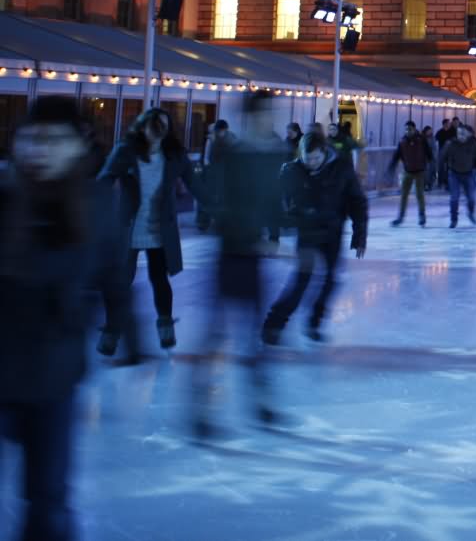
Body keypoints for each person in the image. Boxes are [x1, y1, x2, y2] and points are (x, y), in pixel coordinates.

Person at [2, 96, 142, 541]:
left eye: (54, 139)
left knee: (48, 499)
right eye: (31, 138)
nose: (40, 149)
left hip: (55, 374)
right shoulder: (5, 200)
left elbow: (114, 275)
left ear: (77, 147)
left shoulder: (97, 204)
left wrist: (131, 337)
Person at [189, 90, 286, 437]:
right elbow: (221, 204)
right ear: (251, 117)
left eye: (271, 113)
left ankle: (261, 403)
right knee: (217, 334)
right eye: (264, 113)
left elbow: (273, 199)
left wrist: (276, 231)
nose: (269, 119)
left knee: (253, 335)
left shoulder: (271, 153)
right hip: (230, 256)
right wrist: (249, 234)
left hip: (254, 259)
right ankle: (199, 407)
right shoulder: (233, 155)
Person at [97, 107, 195, 353]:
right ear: (143, 127)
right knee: (120, 282)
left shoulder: (174, 156)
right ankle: (112, 331)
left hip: (159, 231)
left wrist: (218, 204)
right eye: (154, 125)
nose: (158, 131)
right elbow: (104, 181)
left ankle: (166, 329)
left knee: (159, 279)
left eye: (163, 126)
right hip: (128, 229)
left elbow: (197, 186)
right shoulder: (125, 151)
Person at [262, 132, 368, 344]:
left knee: (331, 280)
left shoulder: (341, 168)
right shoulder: (292, 171)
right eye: (306, 159)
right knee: (302, 280)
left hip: (332, 232)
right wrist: (275, 233)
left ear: (324, 153)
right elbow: (273, 203)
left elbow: (358, 201)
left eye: (316, 158)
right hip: (308, 232)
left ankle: (314, 322)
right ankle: (274, 324)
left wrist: (359, 235)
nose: (311, 163)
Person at [438, 124, 476, 226]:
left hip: (468, 173)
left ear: (467, 134)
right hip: (454, 174)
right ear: (457, 134)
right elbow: (441, 158)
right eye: (459, 133)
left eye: (463, 133)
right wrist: (440, 174)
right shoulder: (450, 144)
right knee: (454, 197)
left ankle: (471, 213)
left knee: (471, 197)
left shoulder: (473, 144)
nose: (461, 136)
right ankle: (453, 219)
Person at [387, 121, 431, 226]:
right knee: (404, 195)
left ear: (414, 129)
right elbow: (397, 156)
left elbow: (428, 153)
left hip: (420, 171)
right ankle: (400, 217)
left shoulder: (421, 140)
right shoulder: (402, 142)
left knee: (419, 194)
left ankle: (422, 216)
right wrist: (391, 167)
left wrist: (429, 164)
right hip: (408, 171)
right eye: (406, 129)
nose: (408, 131)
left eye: (410, 129)